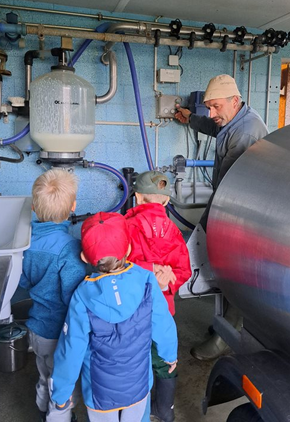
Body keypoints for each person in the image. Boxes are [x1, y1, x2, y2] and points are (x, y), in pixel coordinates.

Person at [50, 211, 178, 422]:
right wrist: (169, 355)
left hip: (100, 392)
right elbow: (163, 323)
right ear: (128, 249)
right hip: (138, 384)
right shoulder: (146, 280)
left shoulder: (82, 296)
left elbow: (70, 349)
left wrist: (61, 394)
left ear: (83, 257)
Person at [175, 74, 268, 360]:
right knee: (227, 268)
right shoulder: (235, 120)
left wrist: (206, 224)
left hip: (245, 214)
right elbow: (217, 129)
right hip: (234, 206)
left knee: (238, 272)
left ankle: (228, 336)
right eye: (209, 108)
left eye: (216, 107)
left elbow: (228, 188)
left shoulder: (246, 133)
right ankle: (224, 327)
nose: (212, 114)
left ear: (235, 101)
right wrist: (192, 119)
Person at [19, 169, 86, 422]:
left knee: (44, 374)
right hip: (61, 334)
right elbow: (74, 296)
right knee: (63, 385)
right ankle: (59, 416)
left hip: (36, 330)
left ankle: (40, 405)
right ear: (73, 207)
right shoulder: (70, 249)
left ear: (34, 208)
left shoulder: (25, 242)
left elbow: (23, 280)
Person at [124, 171, 191, 422]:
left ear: (138, 198)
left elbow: (120, 265)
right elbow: (183, 271)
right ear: (165, 202)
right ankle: (164, 411)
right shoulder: (174, 232)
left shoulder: (127, 226)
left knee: (136, 357)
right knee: (164, 356)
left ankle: (136, 409)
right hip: (164, 308)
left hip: (132, 310)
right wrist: (165, 281)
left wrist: (148, 270)